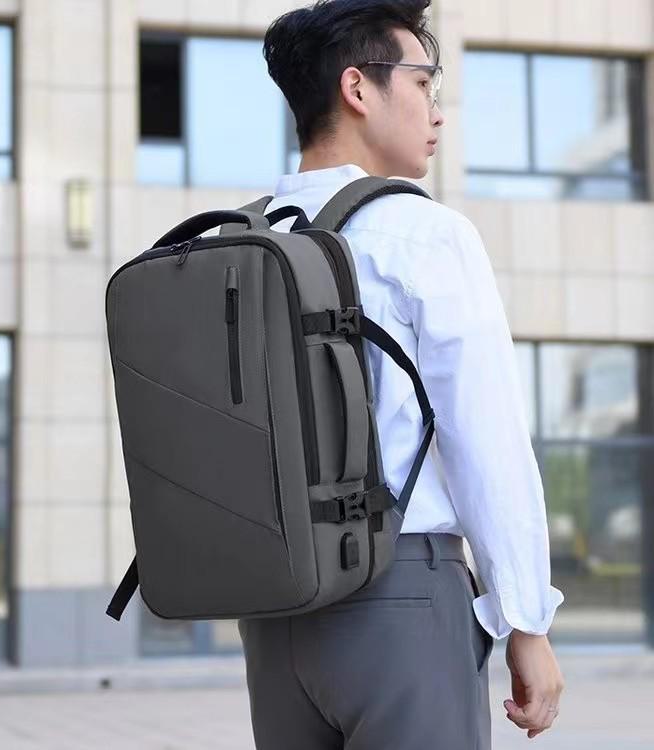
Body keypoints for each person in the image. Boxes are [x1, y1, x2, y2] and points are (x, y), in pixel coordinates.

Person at [236, 1, 566, 748]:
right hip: (401, 594)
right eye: (424, 83)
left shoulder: (249, 238)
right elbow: (484, 437)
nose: (437, 111)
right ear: (358, 88)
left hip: (274, 611)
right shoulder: (425, 234)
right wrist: (526, 621)